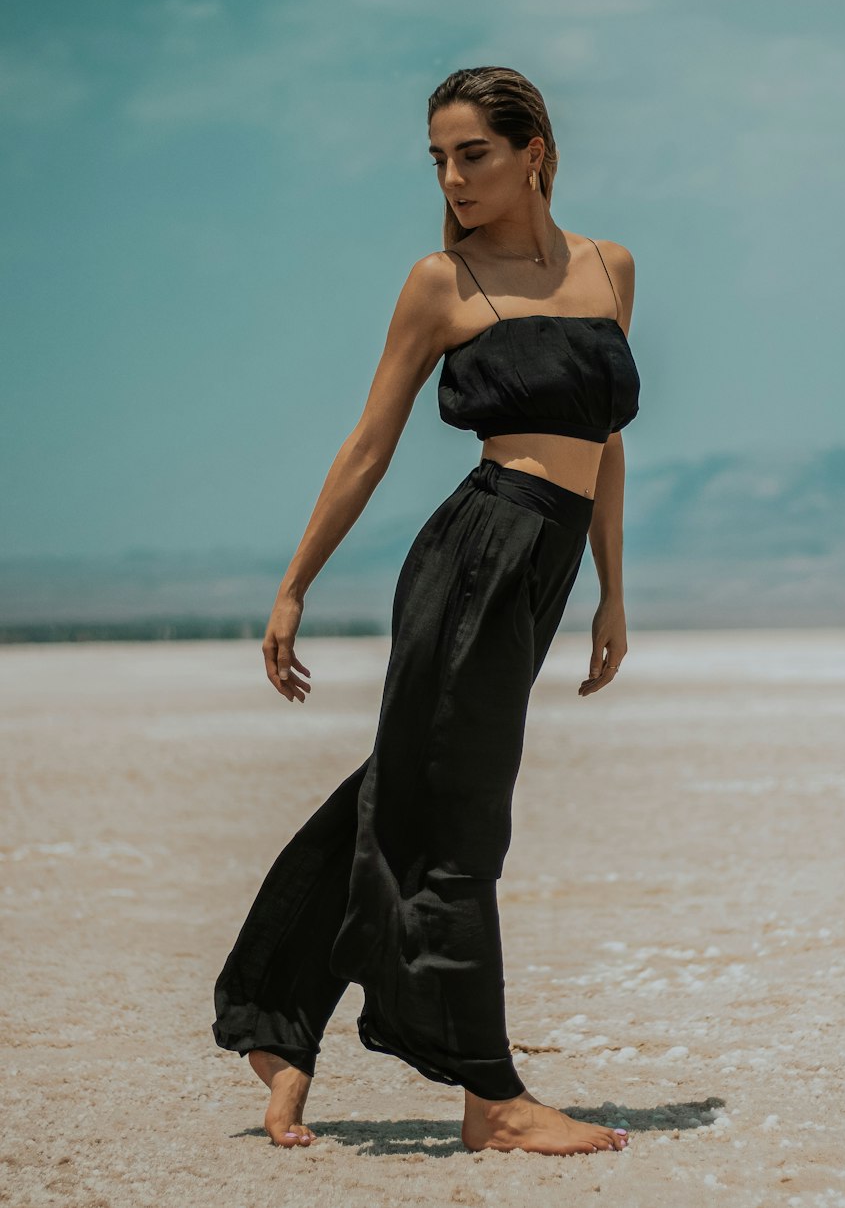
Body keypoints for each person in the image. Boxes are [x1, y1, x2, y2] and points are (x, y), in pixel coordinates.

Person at [212, 65, 641, 1157]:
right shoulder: (437, 282)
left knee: (407, 788)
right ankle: (489, 1095)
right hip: (474, 555)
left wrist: (609, 588)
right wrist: (294, 581)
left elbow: (606, 443)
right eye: (439, 159)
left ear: (532, 148)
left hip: (542, 568)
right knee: (460, 816)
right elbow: (370, 442)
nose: (452, 177)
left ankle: (278, 1021)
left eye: (474, 153)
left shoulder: (608, 267)